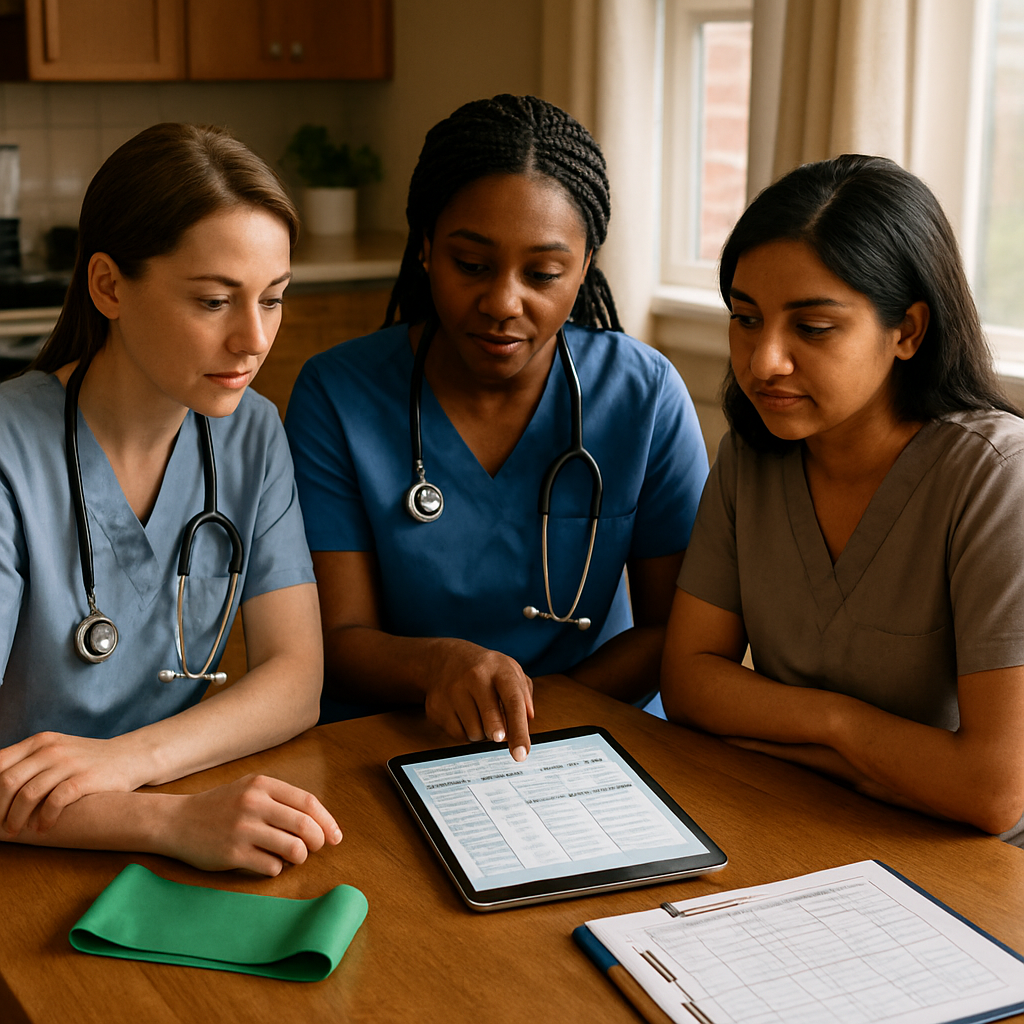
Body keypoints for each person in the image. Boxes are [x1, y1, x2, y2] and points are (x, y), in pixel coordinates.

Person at [285, 95, 708, 761]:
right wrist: (438, 668)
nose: (503, 303)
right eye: (472, 265)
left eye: (542, 273)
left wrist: (533, 715)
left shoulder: (643, 395)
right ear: (425, 248)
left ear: (587, 265)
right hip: (393, 738)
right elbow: (337, 638)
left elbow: (677, 632)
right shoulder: (337, 394)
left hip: (595, 732)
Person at [0, 123, 342, 874]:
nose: (254, 339)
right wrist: (164, 820)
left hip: (183, 808)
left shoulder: (253, 432)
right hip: (37, 854)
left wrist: (132, 759)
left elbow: (296, 679)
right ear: (109, 286)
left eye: (274, 299)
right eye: (216, 301)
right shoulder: (8, 451)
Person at [661, 154, 1024, 844]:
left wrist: (831, 730)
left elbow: (993, 790)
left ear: (908, 331)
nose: (764, 361)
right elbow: (688, 683)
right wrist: (852, 739)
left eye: (814, 328)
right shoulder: (753, 454)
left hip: (962, 860)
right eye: (745, 318)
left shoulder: (997, 477)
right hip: (793, 814)